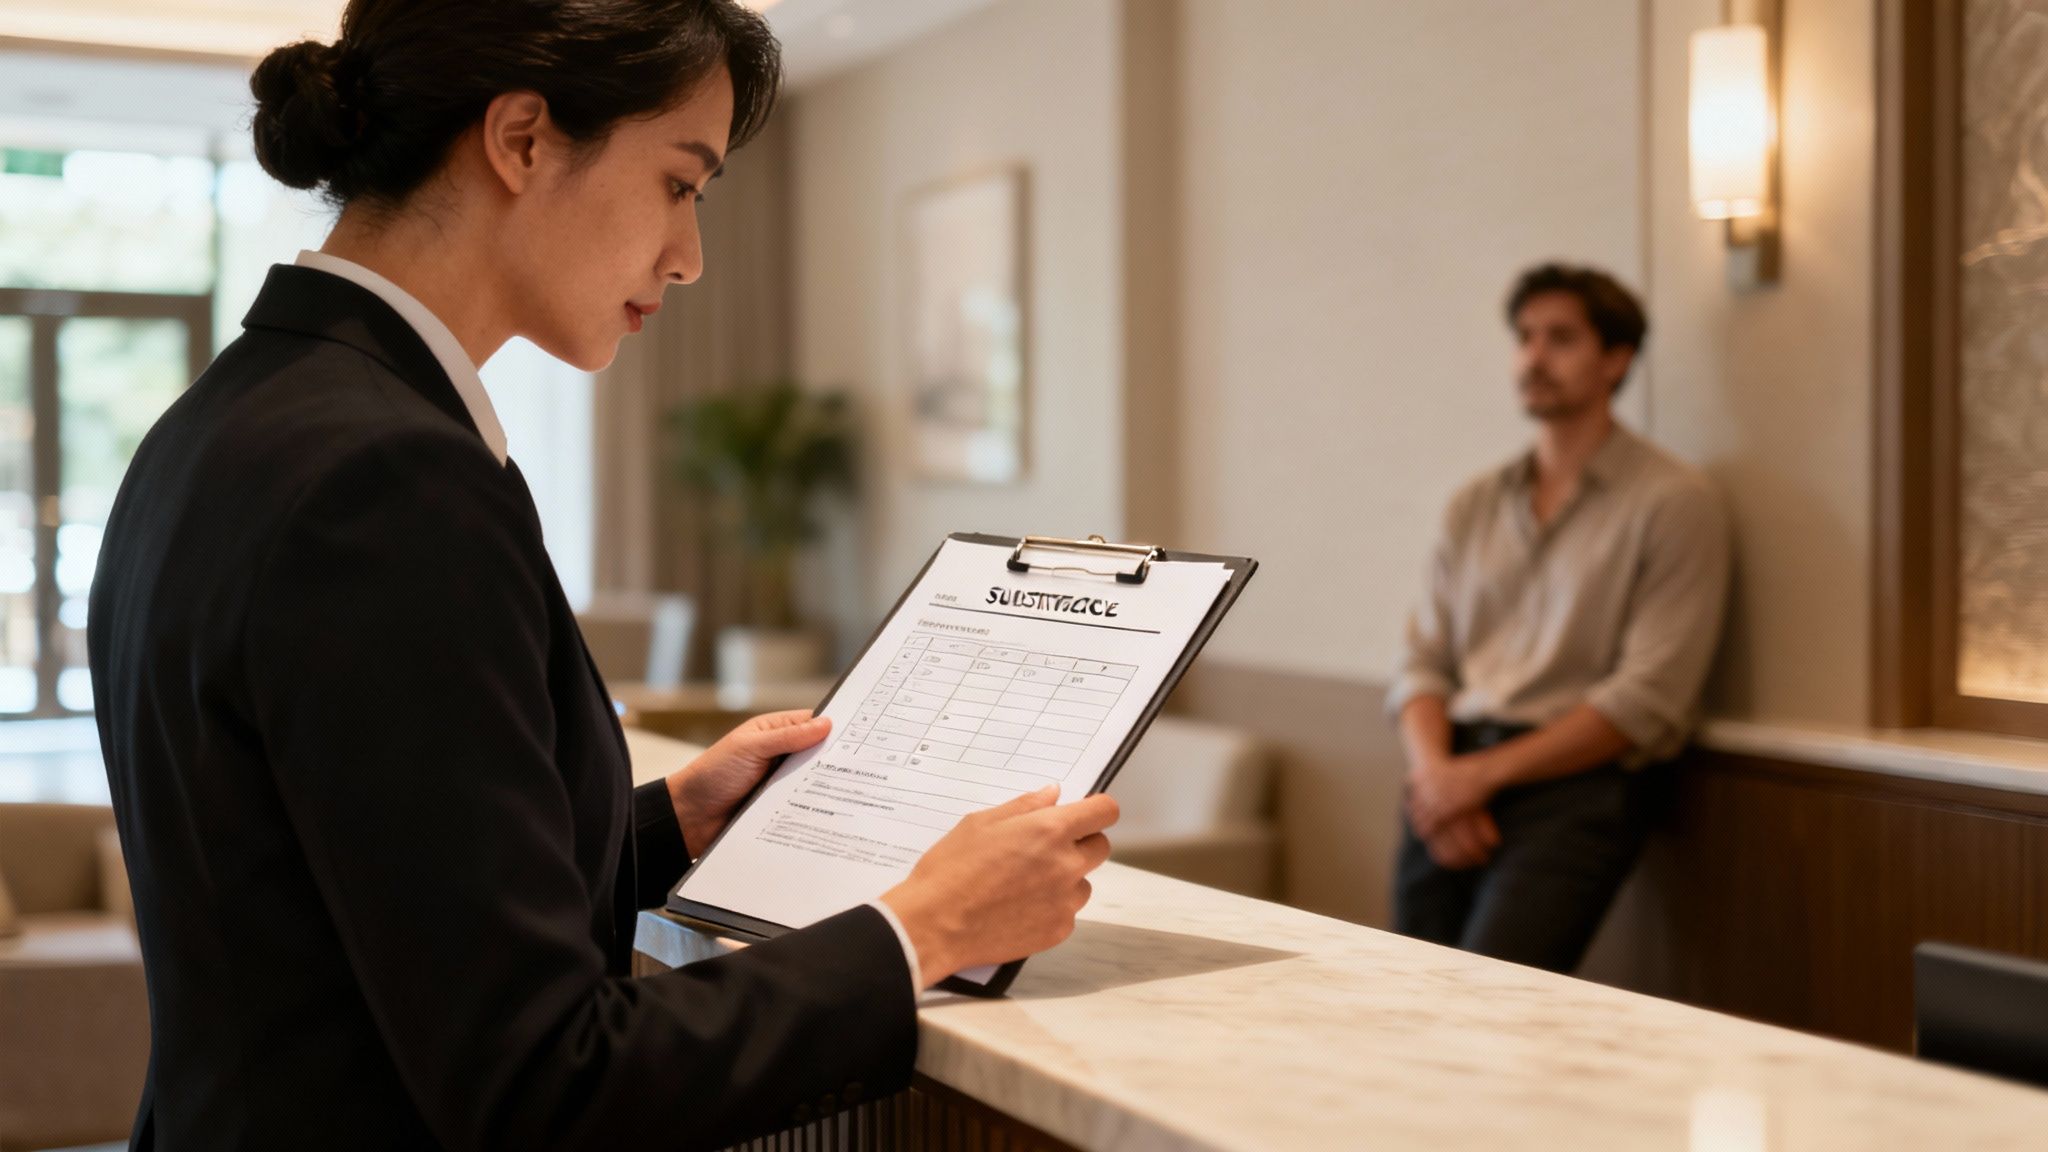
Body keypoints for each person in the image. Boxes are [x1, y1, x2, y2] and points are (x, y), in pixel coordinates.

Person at [87, 3, 1117, 1149]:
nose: (688, 259)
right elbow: (542, 1083)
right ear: (522, 139)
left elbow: (348, 872)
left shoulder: (232, 416)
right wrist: (919, 928)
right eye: (682, 184)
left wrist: (668, 822)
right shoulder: (385, 478)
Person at [1386, 263, 1730, 974]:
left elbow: (1648, 697)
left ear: (1616, 359)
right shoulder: (1474, 503)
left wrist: (1478, 779)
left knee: (1499, 1010)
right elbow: (1422, 662)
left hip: (1574, 793)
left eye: (1561, 339)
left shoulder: (1673, 502)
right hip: (1445, 774)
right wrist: (1438, 779)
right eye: (1525, 337)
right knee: (1403, 998)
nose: (1534, 357)